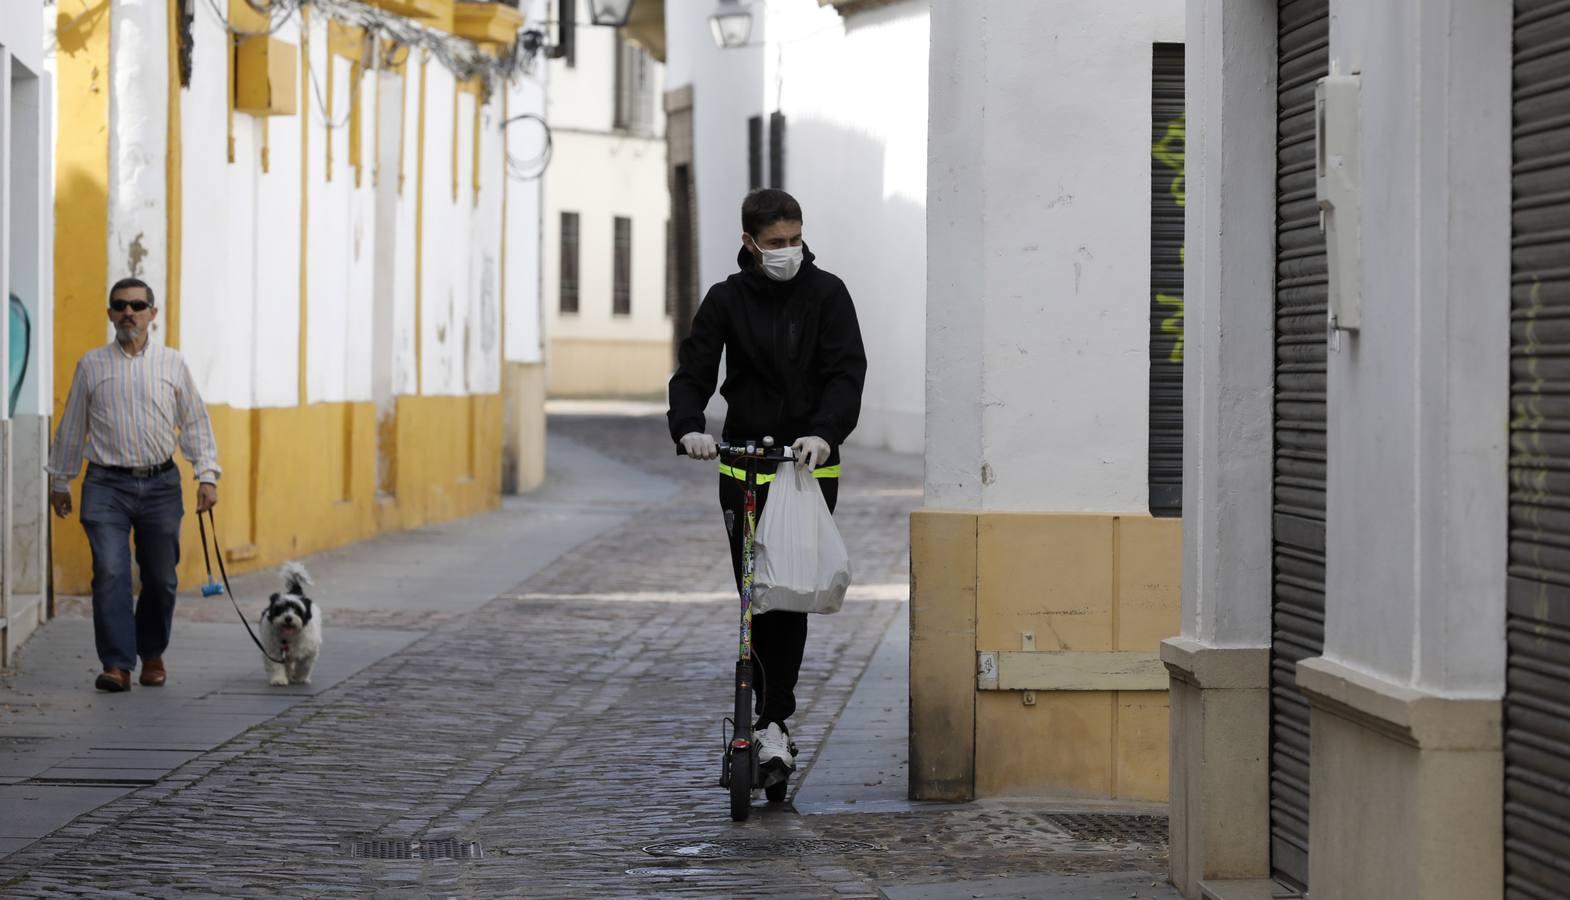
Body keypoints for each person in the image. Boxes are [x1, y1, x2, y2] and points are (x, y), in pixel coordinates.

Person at [668, 188, 867, 785]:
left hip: (807, 469)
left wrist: (825, 434)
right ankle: (765, 720)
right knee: (757, 595)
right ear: (749, 243)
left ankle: (775, 719)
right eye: (775, 243)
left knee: (790, 591)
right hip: (744, 471)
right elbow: (695, 370)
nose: (788, 251)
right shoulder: (727, 300)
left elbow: (845, 372)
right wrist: (689, 428)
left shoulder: (827, 294)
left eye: (795, 240)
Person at [47, 277, 221, 693]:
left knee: (160, 577)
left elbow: (195, 420)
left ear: (152, 315)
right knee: (110, 571)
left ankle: (153, 652)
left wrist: (207, 474)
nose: (129, 312)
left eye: (138, 306)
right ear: (109, 314)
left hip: (160, 484)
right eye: (121, 305)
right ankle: (117, 664)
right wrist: (60, 479)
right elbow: (73, 424)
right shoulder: (91, 364)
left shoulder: (173, 364)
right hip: (106, 484)